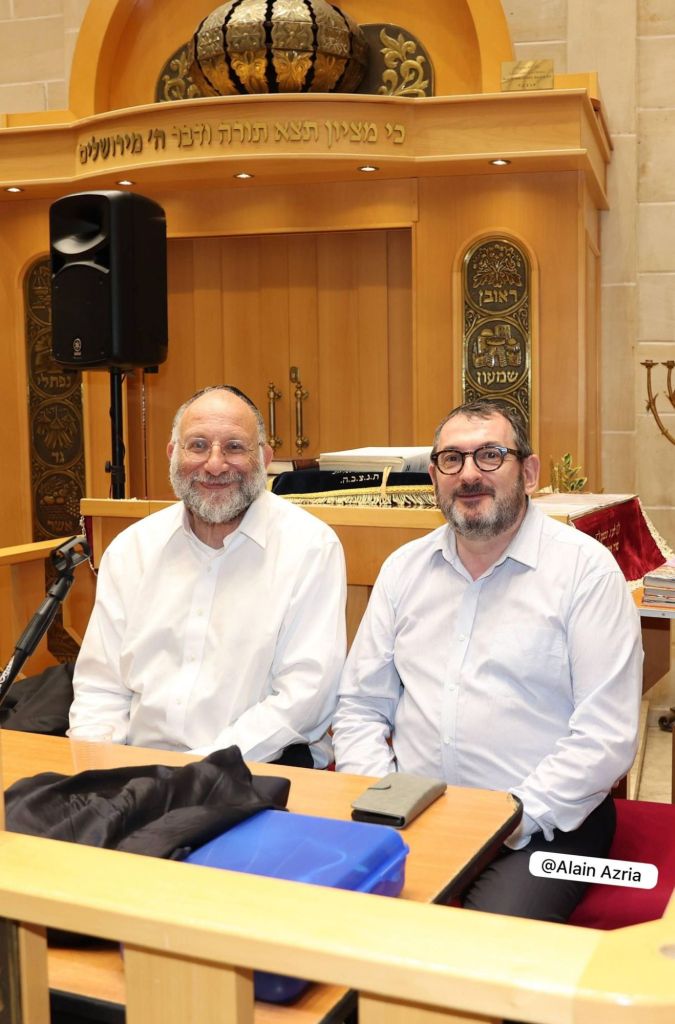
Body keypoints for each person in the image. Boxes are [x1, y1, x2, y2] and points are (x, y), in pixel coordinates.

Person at [332, 397, 642, 922]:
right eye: (452, 459)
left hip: (548, 824)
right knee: (339, 918)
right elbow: (360, 707)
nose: (469, 474)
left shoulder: (586, 573)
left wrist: (510, 817)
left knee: (483, 944)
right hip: (416, 812)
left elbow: (606, 736)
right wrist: (384, 798)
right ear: (434, 476)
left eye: (491, 455)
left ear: (530, 473)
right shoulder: (404, 570)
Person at [70, 385, 347, 767]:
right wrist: (99, 768)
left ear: (264, 458)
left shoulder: (310, 548)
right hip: (138, 771)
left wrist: (195, 772)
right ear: (173, 454)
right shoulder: (132, 549)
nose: (215, 465)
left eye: (234, 447)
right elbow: (100, 688)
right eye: (198, 445)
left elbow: (304, 699)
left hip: (257, 769)